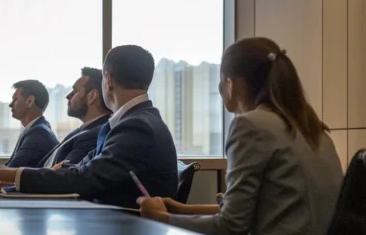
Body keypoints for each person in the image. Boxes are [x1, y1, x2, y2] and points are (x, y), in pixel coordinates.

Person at [138, 37, 343, 234]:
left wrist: (162, 219)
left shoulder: (250, 126)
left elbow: (231, 227)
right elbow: (270, 209)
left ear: (231, 84)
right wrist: (181, 210)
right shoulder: (313, 128)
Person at [0, 45, 178, 209]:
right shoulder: (135, 121)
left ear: (108, 80)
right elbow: (82, 168)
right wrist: (19, 177)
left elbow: (87, 178)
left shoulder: (136, 126)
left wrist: (17, 175)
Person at [0, 80, 59, 172]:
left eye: (15, 99)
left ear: (30, 101)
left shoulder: (38, 134)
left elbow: (11, 172)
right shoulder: (38, 129)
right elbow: (12, 168)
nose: (10, 104)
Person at [37, 67, 112, 168]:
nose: (68, 96)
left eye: (75, 91)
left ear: (92, 96)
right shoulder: (82, 131)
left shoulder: (96, 134)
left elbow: (63, 173)